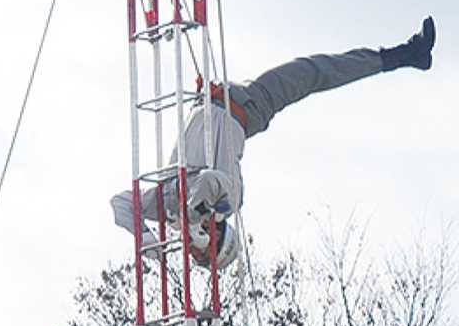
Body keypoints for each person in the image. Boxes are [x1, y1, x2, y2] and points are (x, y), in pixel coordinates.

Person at [112, 21, 436, 265]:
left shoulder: (170, 207)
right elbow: (212, 182)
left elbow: (122, 204)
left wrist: (150, 246)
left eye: (199, 253)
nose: (198, 246)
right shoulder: (228, 202)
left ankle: (409, 56)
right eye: (208, 245)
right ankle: (404, 55)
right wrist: (194, 218)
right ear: (220, 232)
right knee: (314, 72)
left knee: (316, 71)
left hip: (213, 101)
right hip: (250, 106)